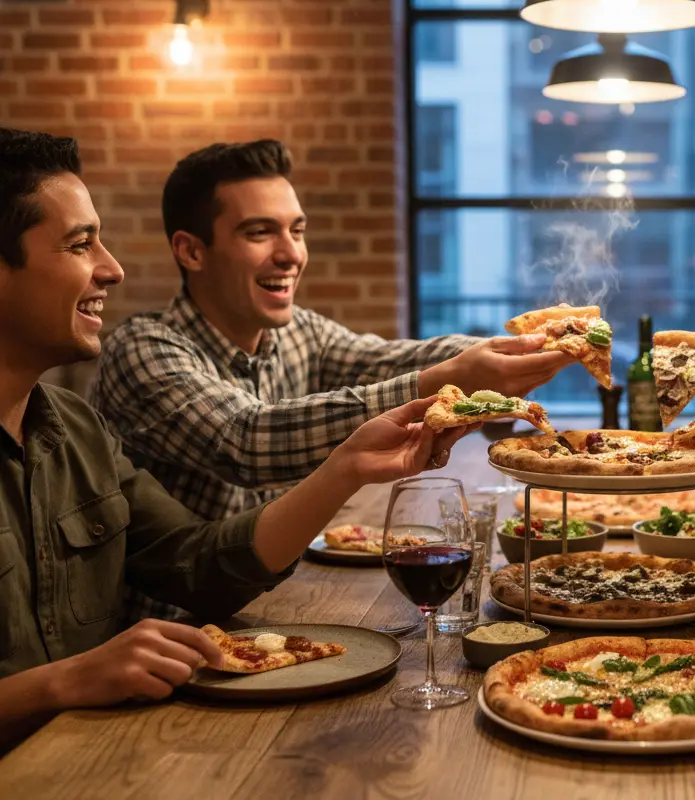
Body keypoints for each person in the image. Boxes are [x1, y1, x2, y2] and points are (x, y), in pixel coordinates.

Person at [0, 128, 476, 745]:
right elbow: (244, 438)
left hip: (116, 741)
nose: (111, 267)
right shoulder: (144, 349)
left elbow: (200, 565)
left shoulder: (74, 429)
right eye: (79, 243)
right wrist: (59, 684)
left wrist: (347, 468)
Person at [88, 140, 568, 620]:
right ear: (191, 250)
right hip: (163, 640)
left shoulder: (300, 332)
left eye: (297, 230)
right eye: (260, 232)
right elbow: (247, 441)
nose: (290, 253)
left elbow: (388, 360)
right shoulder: (142, 349)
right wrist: (448, 378)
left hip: (270, 609)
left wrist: (512, 350)